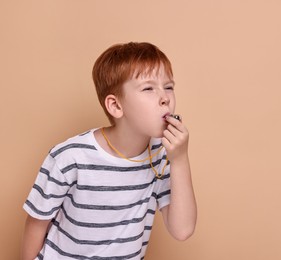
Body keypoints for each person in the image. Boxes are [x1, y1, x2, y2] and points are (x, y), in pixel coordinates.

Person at [21, 42, 197, 259]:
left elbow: (182, 230)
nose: (165, 98)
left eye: (168, 86)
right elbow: (37, 223)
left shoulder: (161, 154)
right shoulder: (69, 157)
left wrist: (179, 159)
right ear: (115, 106)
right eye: (148, 88)